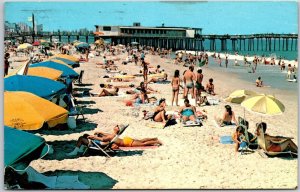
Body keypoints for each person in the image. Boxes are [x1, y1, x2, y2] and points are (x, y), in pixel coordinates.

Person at [66, 125, 162, 156]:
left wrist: (94, 137)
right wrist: (98, 132)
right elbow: (105, 135)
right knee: (142, 141)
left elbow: (103, 139)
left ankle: (156, 142)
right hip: (125, 140)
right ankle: (155, 139)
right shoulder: (113, 135)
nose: (115, 126)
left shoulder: (112, 136)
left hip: (126, 142)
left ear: (117, 130)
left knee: (143, 144)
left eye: (116, 126)